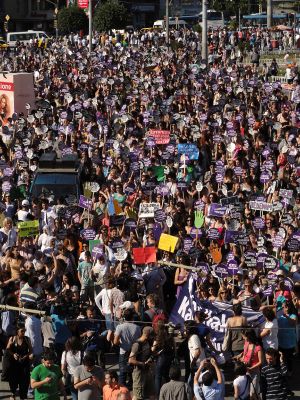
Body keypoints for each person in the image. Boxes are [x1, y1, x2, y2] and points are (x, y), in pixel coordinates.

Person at [113, 308, 141, 387]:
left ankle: (122, 391)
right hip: (134, 352)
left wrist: (121, 343)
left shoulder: (120, 327)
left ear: (124, 317)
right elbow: (138, 340)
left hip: (123, 351)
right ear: (132, 317)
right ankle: (131, 387)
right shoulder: (137, 327)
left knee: (122, 373)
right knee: (133, 371)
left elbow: (115, 342)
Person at [6, 322, 33, 400]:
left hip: (24, 363)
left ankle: (23, 396)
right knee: (13, 381)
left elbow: (31, 350)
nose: (23, 332)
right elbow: (7, 350)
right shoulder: (12, 338)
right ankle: (13, 394)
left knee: (24, 382)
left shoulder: (27, 339)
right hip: (14, 364)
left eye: (24, 331)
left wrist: (27, 355)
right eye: (22, 331)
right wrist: (13, 354)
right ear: (17, 331)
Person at [129, 326, 155, 400]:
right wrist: (143, 364)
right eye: (151, 335)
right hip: (139, 373)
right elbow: (130, 360)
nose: (152, 337)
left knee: (151, 393)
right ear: (147, 335)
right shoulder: (137, 345)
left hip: (147, 371)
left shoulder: (147, 342)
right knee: (137, 396)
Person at [277, 301, 297, 375]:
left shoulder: (293, 316)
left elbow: (293, 323)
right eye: (284, 307)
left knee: (289, 358)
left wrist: (287, 316)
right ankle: (281, 370)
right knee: (281, 357)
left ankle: (290, 371)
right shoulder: (279, 316)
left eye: (287, 306)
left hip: (289, 342)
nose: (286, 308)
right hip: (281, 341)